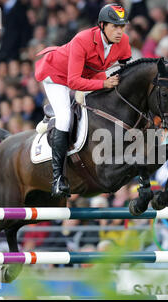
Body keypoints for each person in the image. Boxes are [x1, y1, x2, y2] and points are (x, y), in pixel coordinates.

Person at [34, 3, 132, 198]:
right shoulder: (83, 39)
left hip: (89, 74)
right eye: (115, 26)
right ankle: (58, 178)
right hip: (57, 75)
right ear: (102, 25)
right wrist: (104, 85)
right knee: (64, 118)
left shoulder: (124, 42)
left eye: (122, 26)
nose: (120, 32)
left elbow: (127, 72)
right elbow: (73, 81)